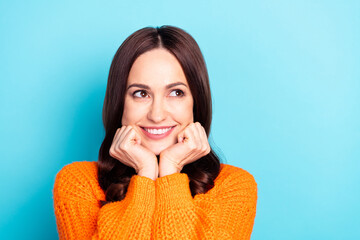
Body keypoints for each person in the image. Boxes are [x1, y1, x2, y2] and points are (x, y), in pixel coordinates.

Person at [53, 25, 257, 240]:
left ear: (196, 103)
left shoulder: (234, 187)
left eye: (176, 92)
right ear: (119, 103)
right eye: (141, 93)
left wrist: (170, 171)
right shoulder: (79, 183)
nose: (157, 115)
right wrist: (145, 173)